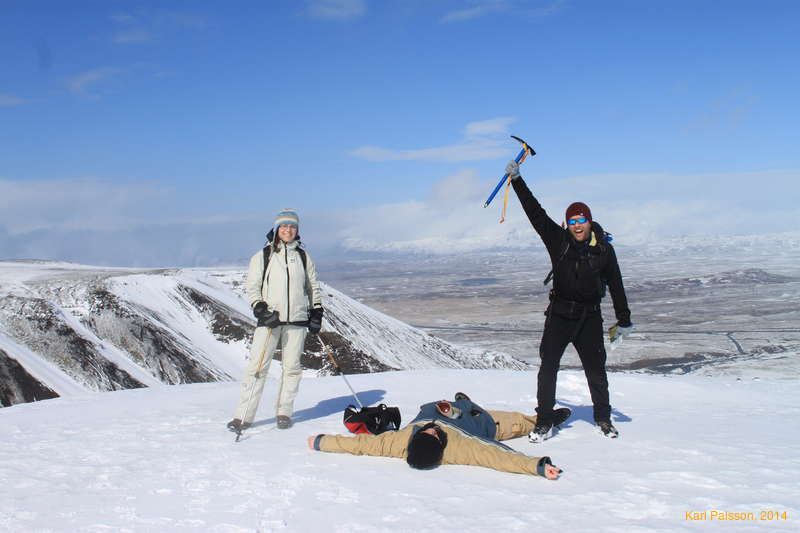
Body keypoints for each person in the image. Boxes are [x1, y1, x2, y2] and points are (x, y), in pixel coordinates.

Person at [506, 160, 632, 441]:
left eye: (581, 221)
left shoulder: (604, 251)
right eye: (572, 221)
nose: (577, 226)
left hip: (589, 318)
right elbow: (535, 213)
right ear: (567, 223)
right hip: (559, 316)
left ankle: (603, 418)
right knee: (548, 368)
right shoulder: (558, 240)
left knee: (596, 371)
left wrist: (624, 320)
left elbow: (616, 284)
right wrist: (517, 181)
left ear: (590, 221)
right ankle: (544, 420)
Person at [307, 393, 563, 479]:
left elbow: (362, 445)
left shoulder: (399, 442)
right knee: (519, 422)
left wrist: (321, 442)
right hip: (482, 422)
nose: (433, 429)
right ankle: (544, 421)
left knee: (452, 408)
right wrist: (537, 467)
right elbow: (497, 456)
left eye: (427, 432)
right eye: (436, 435)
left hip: (450, 408)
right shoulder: (459, 447)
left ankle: (460, 403)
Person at [227, 208, 323, 431]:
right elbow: (252, 287)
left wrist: (316, 312)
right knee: (258, 368)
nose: (287, 230)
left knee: (292, 369)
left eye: (292, 226)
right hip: (271, 320)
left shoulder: (303, 257)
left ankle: (284, 412)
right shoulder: (263, 256)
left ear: (297, 230)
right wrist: (260, 309)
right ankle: (243, 416)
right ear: (276, 229)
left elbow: (312, 287)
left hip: (297, 320)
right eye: (284, 226)